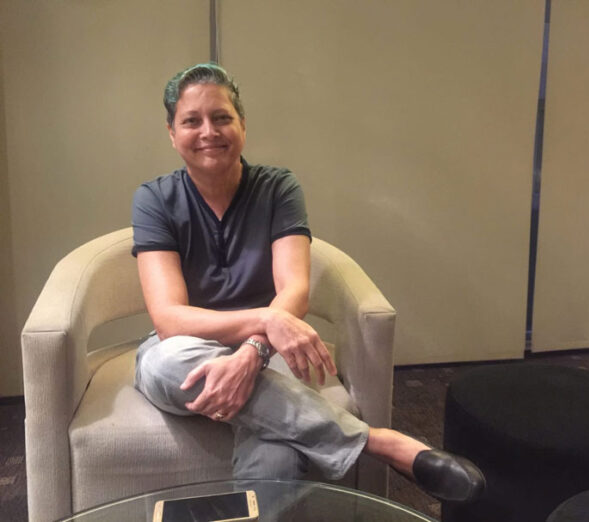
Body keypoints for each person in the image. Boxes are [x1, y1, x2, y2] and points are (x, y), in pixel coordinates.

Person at [131, 62, 484, 502]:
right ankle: (378, 443)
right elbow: (169, 319)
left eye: (221, 117)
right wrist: (266, 321)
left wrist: (253, 351)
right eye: (191, 121)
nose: (209, 132)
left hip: (274, 349)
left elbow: (294, 289)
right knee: (164, 362)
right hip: (189, 349)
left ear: (243, 124)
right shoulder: (154, 199)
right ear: (171, 132)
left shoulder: (278, 187)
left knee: (278, 454)